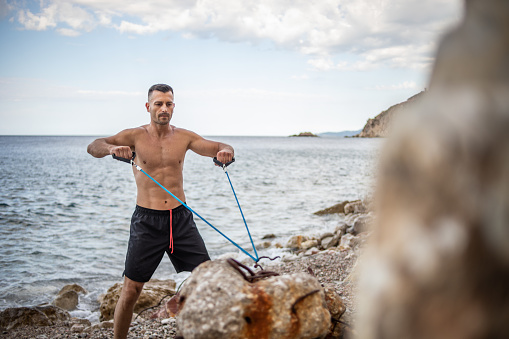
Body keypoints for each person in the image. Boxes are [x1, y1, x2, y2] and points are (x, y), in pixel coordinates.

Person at [87, 83, 234, 339]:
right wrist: (112, 149)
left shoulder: (184, 137)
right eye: (158, 104)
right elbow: (94, 145)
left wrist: (226, 151)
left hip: (181, 220)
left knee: (207, 281)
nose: (163, 108)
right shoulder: (134, 136)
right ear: (148, 107)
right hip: (147, 222)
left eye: (168, 103)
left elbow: (218, 146)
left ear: (173, 107)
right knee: (131, 290)